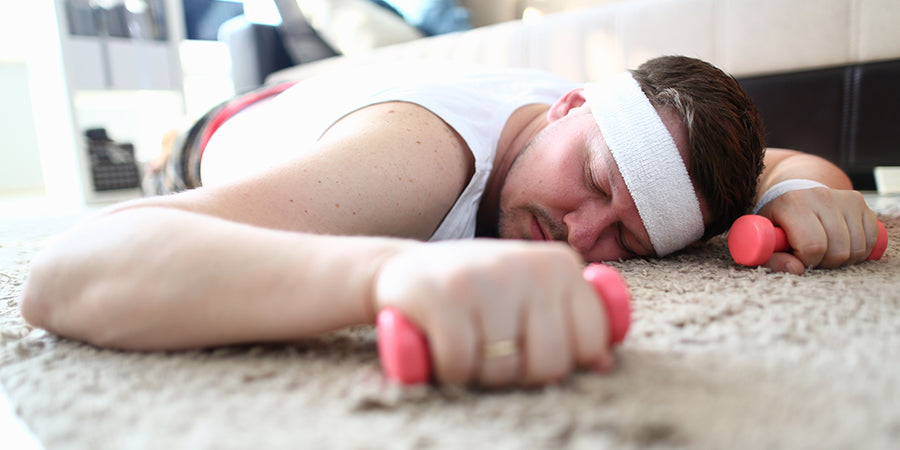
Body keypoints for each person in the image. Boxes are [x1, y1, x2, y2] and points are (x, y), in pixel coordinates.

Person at [21, 56, 880, 389]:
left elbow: (790, 167)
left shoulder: (626, 138)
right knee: (191, 147)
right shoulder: (417, 160)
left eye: (628, 241)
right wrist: (384, 273)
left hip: (348, 94)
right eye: (589, 181)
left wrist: (795, 195)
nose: (582, 240)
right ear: (567, 102)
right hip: (242, 122)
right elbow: (65, 273)